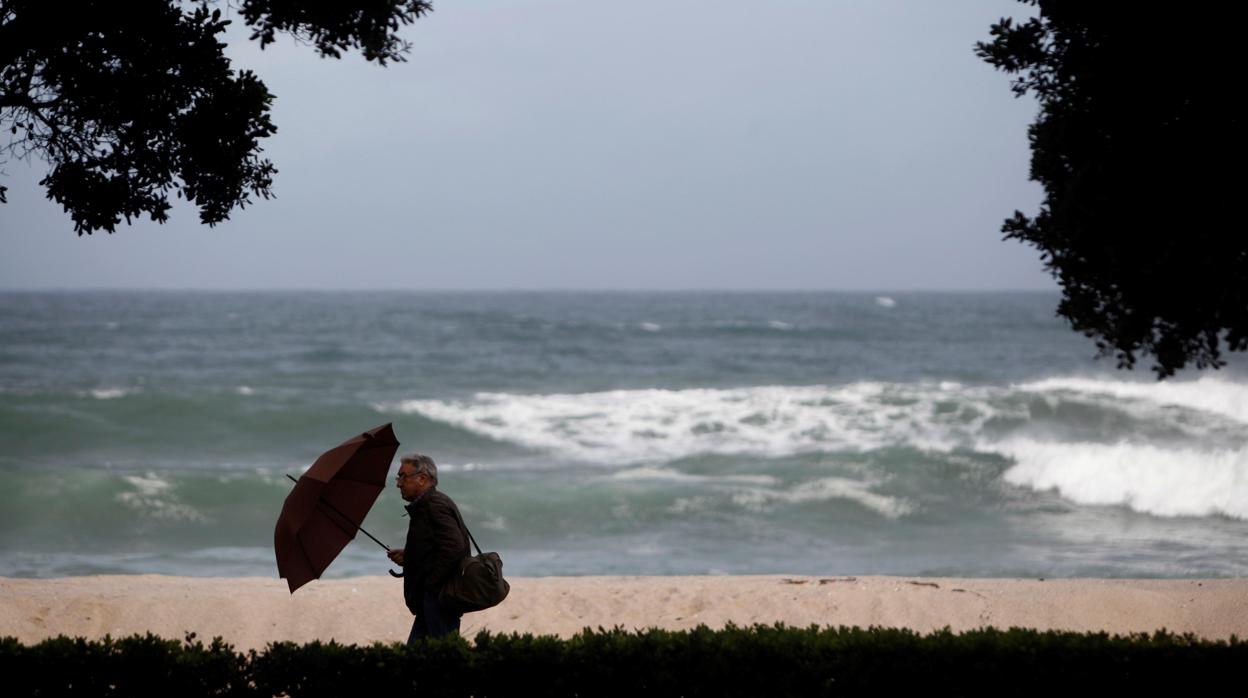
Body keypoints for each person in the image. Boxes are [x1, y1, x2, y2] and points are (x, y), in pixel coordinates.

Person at [387, 453, 470, 643]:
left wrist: (432, 586)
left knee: (439, 659)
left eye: (403, 477)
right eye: (398, 477)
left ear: (422, 478)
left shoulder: (434, 505)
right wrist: (409, 557)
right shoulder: (428, 505)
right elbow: (437, 548)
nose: (399, 483)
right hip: (435, 599)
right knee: (423, 660)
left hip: (438, 600)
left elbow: (454, 547)